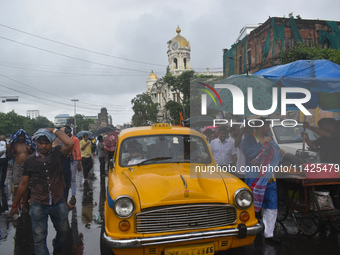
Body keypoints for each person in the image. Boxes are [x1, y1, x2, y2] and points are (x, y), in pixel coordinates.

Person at [10, 128, 74, 255]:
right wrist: (14, 204)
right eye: (40, 143)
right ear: (36, 143)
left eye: (46, 143)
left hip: (58, 201)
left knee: (64, 231)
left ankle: (57, 245)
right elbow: (23, 183)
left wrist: (54, 130)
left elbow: (70, 143)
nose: (43, 146)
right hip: (38, 203)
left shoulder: (57, 153)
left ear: (51, 143)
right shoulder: (30, 160)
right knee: (39, 238)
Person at [242, 119, 284, 244]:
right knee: (253, 205)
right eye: (266, 124)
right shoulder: (249, 139)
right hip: (255, 177)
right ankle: (253, 231)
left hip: (270, 177)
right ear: (259, 126)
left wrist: (281, 153)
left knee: (271, 205)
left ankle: (269, 234)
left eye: (268, 125)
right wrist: (261, 143)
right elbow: (248, 153)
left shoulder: (270, 138)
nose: (268, 127)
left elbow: (276, 154)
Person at [6, 129, 36, 213]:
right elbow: (10, 156)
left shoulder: (29, 144)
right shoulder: (14, 145)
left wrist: (30, 149)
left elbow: (35, 155)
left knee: (26, 186)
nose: (21, 138)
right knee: (16, 186)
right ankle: (17, 203)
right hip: (17, 166)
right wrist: (9, 149)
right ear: (17, 137)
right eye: (20, 136)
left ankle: (24, 205)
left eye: (23, 136)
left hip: (27, 166)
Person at [64, 126, 82, 207]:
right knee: (65, 180)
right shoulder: (63, 139)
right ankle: (64, 198)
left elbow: (78, 151)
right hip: (64, 161)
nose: (67, 134)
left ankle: (73, 196)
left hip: (73, 161)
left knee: (73, 179)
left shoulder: (75, 140)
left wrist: (79, 162)